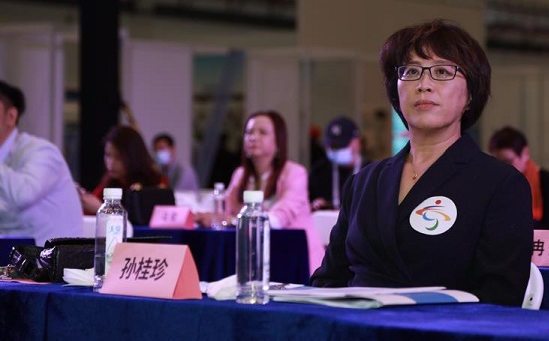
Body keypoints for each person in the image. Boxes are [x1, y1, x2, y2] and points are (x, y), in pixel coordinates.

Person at [310, 19, 534, 306]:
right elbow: (328, 281)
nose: (423, 85)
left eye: (442, 72)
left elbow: (499, 300)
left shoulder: (501, 185)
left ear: (470, 95)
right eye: (411, 71)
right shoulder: (364, 182)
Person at [196, 110, 325, 273]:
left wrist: (232, 220)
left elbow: (278, 220)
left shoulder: (295, 173)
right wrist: (209, 216)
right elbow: (224, 210)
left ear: (278, 141)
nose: (253, 137)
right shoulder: (240, 174)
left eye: (262, 132)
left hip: (296, 260)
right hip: (255, 261)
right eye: (249, 132)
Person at [0, 80, 83, 245]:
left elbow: (23, 195)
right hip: (13, 252)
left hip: (51, 257)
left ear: (11, 116)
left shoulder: (43, 152)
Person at [488, 126, 549, 230]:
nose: (502, 168)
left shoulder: (547, 182)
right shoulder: (492, 184)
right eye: (496, 163)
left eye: (508, 162)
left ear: (525, 153)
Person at [78, 125, 168, 215]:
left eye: (118, 157)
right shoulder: (109, 181)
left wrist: (102, 209)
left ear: (134, 157)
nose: (111, 163)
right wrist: (82, 198)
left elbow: (146, 217)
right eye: (108, 155)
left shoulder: (156, 182)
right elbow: (89, 208)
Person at [309, 116, 371, 211]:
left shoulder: (372, 173)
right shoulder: (319, 172)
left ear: (357, 143)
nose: (336, 151)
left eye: (341, 146)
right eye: (332, 147)